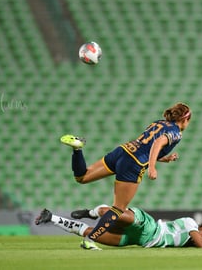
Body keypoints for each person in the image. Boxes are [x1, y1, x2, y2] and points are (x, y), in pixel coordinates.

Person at [59, 102, 191, 242]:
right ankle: (90, 241)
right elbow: (157, 143)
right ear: (185, 120)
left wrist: (165, 158)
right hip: (133, 163)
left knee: (82, 177)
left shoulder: (159, 123)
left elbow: (146, 147)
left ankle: (77, 149)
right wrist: (152, 167)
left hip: (123, 151)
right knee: (118, 209)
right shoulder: (176, 133)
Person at [35, 205, 202, 249]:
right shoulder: (191, 224)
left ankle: (51, 217)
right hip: (150, 228)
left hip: (136, 240)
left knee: (91, 233)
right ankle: (92, 212)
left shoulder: (189, 242)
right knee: (114, 213)